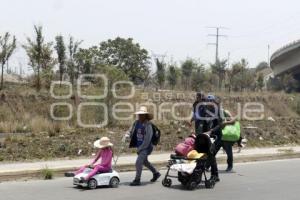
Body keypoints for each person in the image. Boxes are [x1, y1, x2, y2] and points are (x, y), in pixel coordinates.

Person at [127, 106, 161, 186]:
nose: (140, 116)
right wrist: (127, 134)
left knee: (138, 162)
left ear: (145, 115)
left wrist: (140, 149)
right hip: (140, 146)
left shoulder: (148, 125)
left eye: (142, 115)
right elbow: (131, 131)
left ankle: (137, 180)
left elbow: (147, 140)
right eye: (139, 115)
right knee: (145, 162)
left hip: (147, 147)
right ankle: (156, 173)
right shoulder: (136, 123)